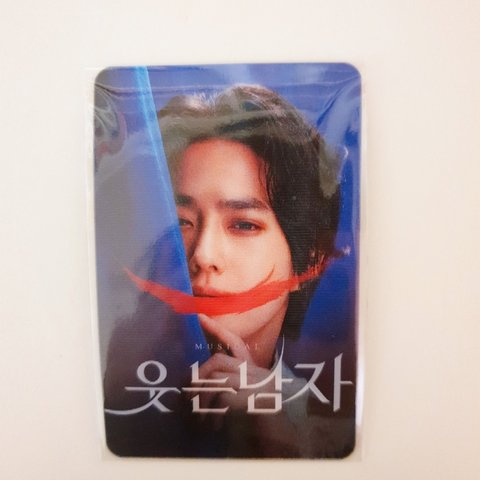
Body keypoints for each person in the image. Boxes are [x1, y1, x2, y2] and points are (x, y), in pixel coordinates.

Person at [153, 85, 353, 457]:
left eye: (243, 225)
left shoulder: (327, 429)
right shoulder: (117, 393)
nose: (203, 255)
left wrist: (278, 443)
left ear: (308, 257)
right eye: (181, 221)